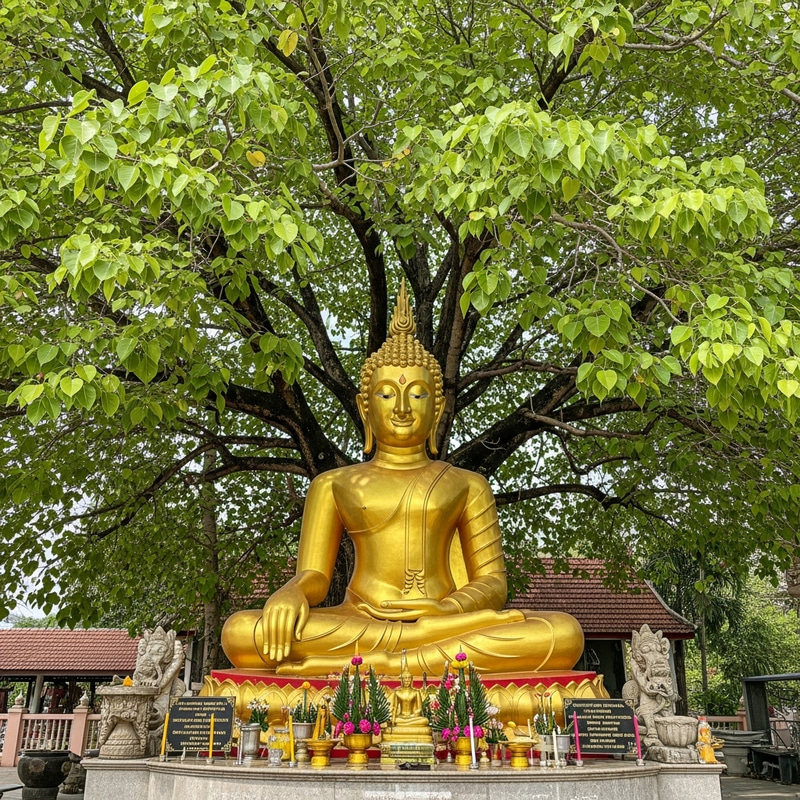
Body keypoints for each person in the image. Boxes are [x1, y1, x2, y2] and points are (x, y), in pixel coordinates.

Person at [221, 283, 583, 676]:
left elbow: (493, 585)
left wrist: (447, 609)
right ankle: (410, 660)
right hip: (361, 622)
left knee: (562, 634)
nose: (403, 409)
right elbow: (316, 578)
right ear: (365, 407)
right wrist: (291, 592)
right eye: (388, 395)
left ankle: (374, 667)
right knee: (242, 632)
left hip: (444, 621)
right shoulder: (333, 484)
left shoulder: (466, 484)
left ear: (438, 407)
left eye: (417, 395)